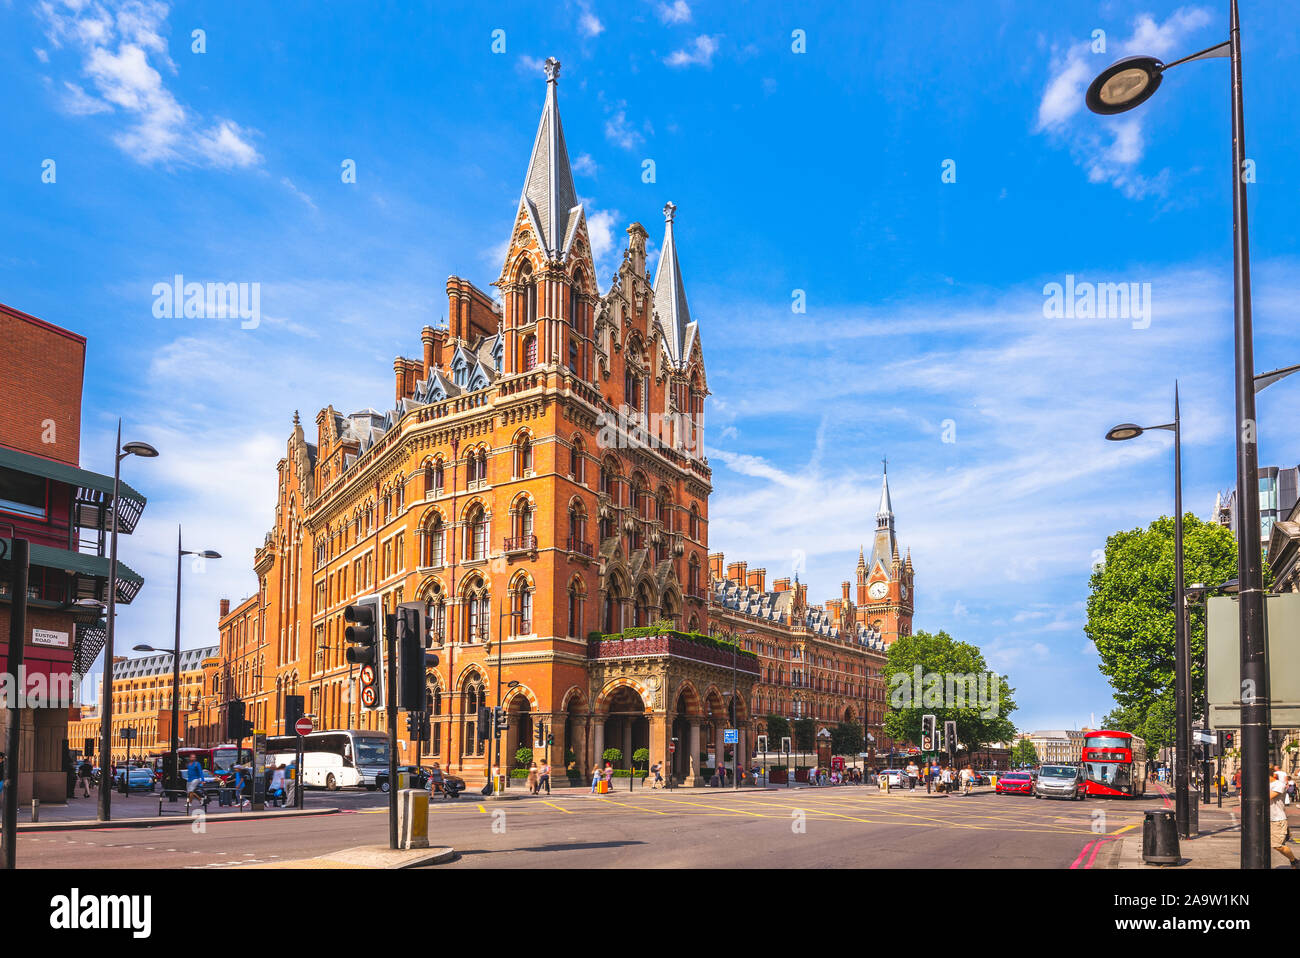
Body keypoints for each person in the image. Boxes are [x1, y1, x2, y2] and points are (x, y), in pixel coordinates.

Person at [1270, 770, 1299, 868]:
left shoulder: (1279, 785)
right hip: (1266, 819)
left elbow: (1268, 796)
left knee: (1277, 845)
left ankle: (1294, 861)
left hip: (1277, 819)